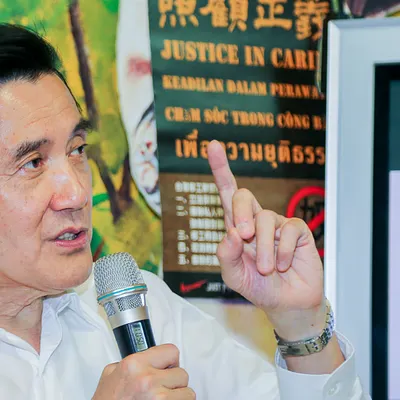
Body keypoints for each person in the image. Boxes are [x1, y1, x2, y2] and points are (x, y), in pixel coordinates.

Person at [0, 23, 369, 400]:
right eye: (33, 163)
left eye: (77, 149)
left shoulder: (141, 307)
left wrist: (301, 326)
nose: (78, 193)